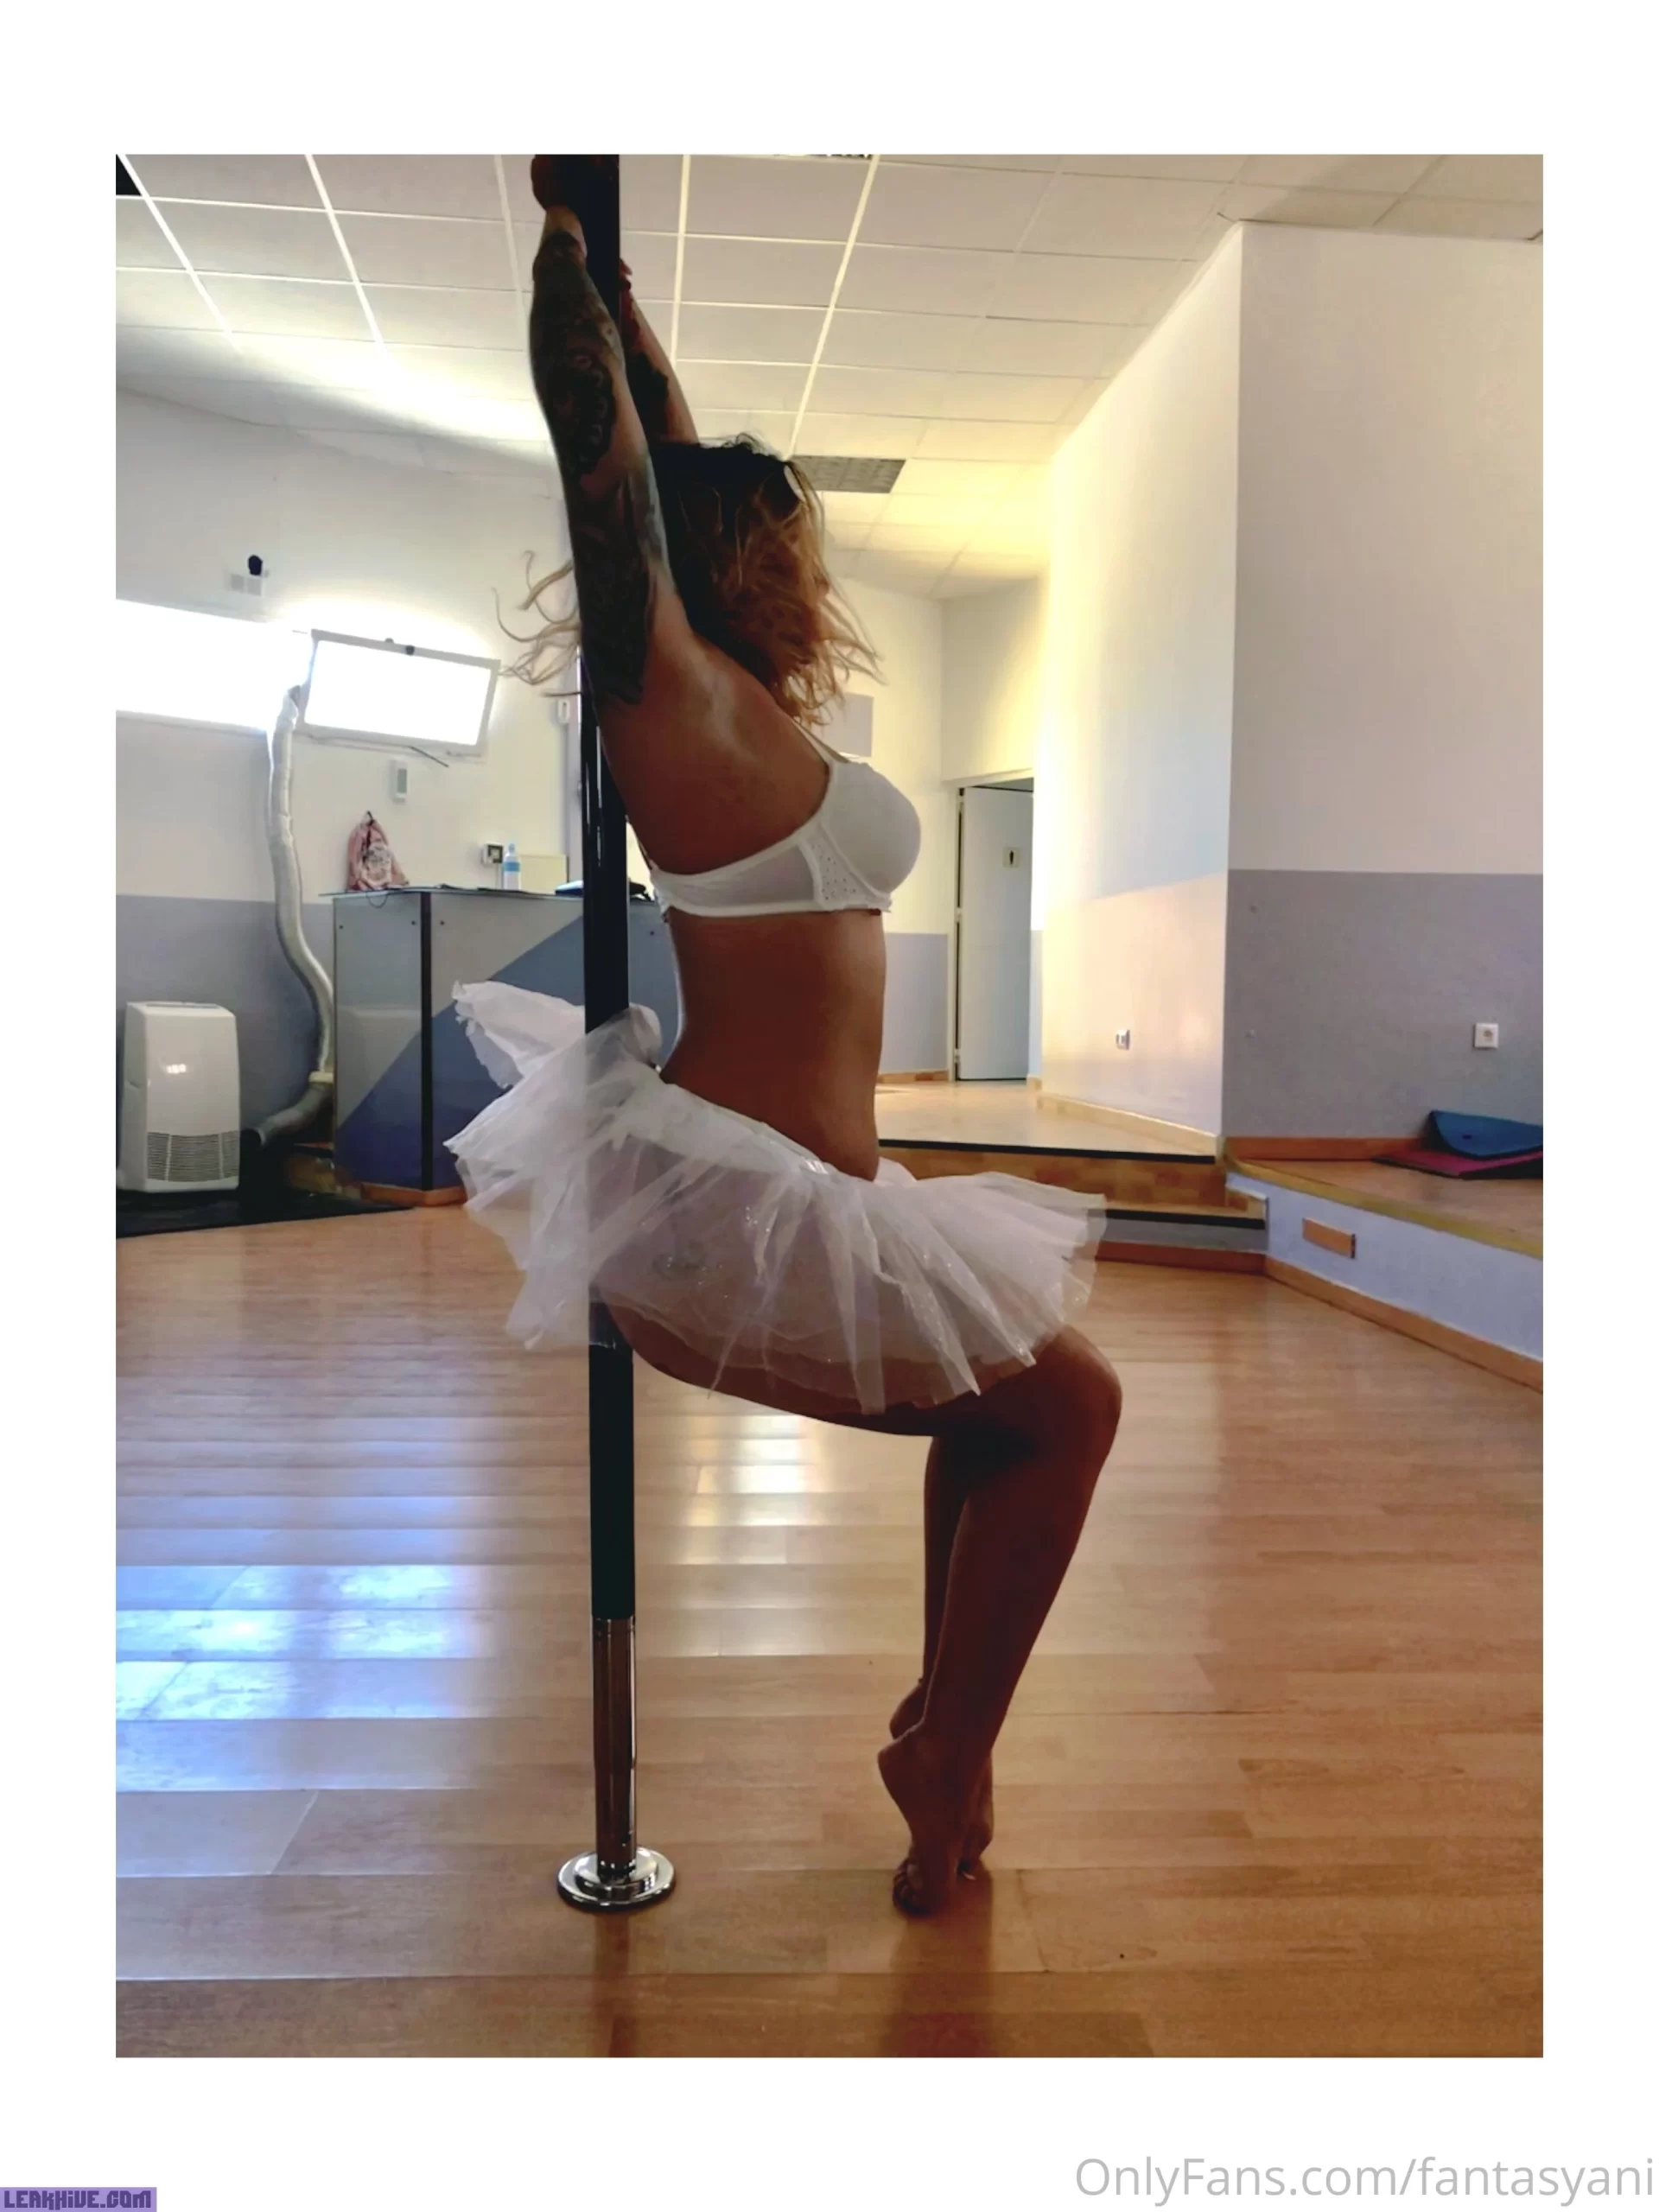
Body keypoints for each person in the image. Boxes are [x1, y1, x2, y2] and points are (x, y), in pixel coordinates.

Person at [449, 156, 1123, 1916]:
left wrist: (624, 289)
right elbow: (607, 464)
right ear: (739, 558)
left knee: (1004, 1401)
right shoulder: (668, 693)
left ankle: (944, 1734)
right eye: (790, 540)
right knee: (1073, 1408)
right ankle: (945, 1744)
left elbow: (655, 451)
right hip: (737, 1209)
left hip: (820, 1185)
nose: (813, 569)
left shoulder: (742, 707)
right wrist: (562, 250)